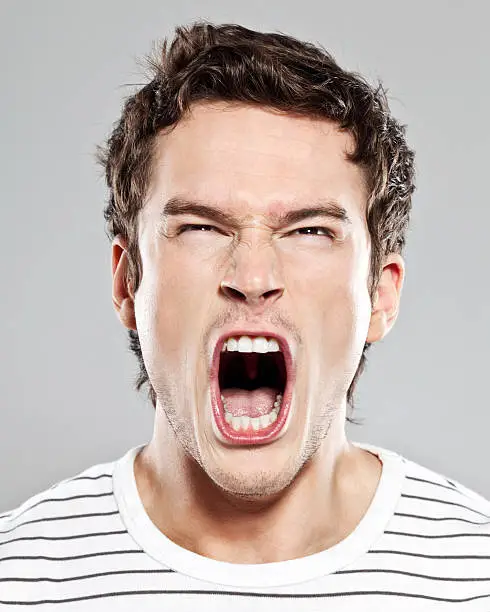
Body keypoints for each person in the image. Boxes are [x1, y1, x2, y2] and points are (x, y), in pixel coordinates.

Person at [1, 21, 489, 610]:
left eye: (310, 231)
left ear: (381, 297)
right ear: (128, 282)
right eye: (201, 228)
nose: (253, 278)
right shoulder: (19, 576)